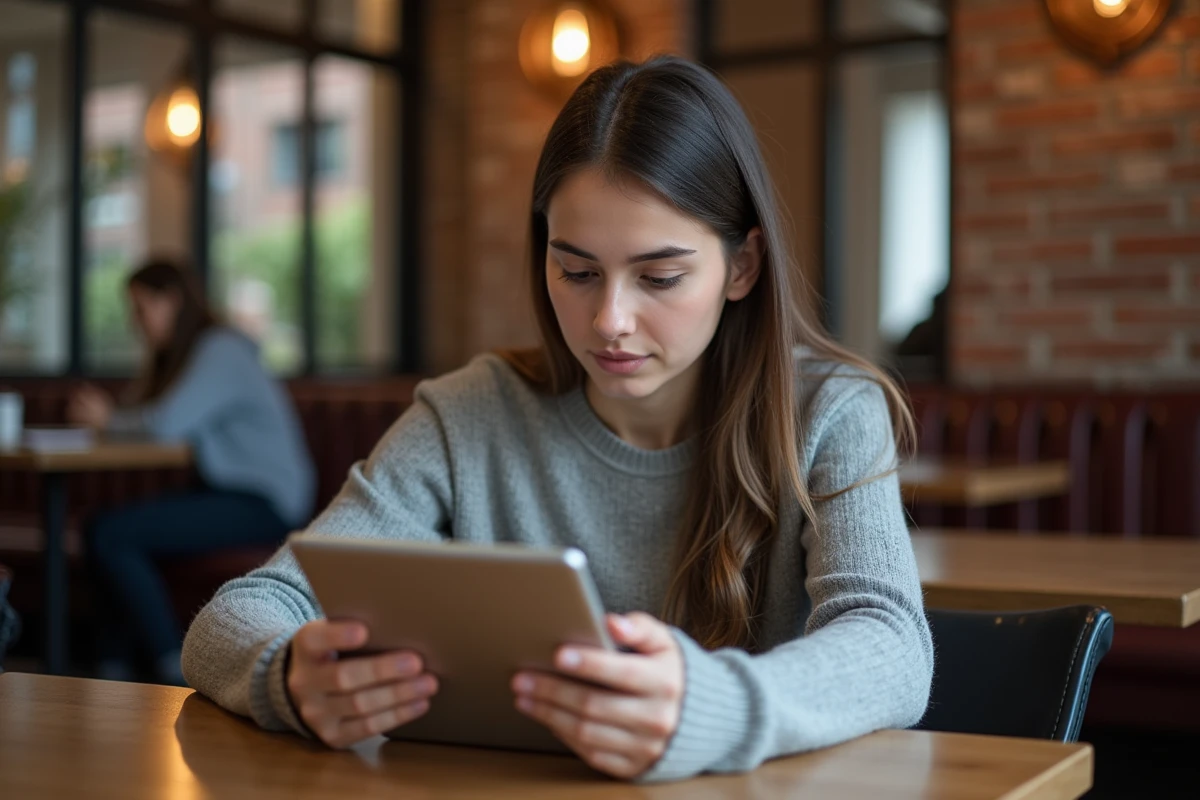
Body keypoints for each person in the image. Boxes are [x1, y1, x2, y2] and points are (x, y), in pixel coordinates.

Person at [182, 56, 932, 782]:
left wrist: (714, 707)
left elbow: (892, 646)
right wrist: (287, 677)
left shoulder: (830, 411)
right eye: (575, 271)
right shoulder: (470, 414)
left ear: (742, 267)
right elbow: (241, 613)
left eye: (660, 276)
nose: (609, 320)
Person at [69, 258, 315, 686]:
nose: (136, 322)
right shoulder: (185, 355)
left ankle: (170, 663)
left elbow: (163, 423)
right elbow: (144, 413)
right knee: (103, 528)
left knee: (110, 532)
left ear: (173, 301)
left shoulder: (220, 348)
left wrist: (108, 420)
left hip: (263, 502)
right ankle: (111, 667)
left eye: (142, 308)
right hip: (226, 495)